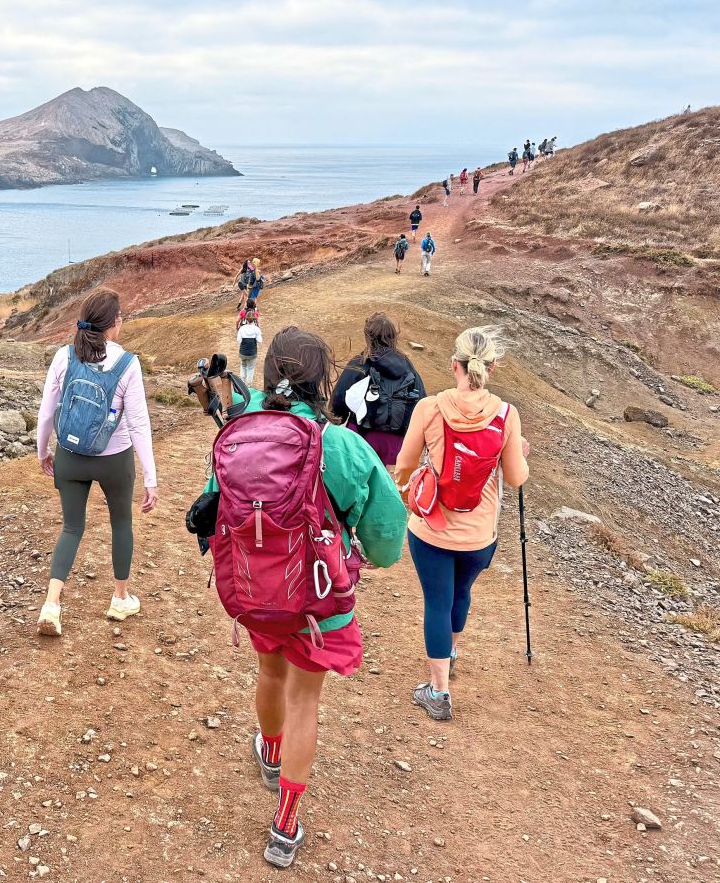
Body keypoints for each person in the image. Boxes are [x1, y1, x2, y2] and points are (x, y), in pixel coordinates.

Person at [201, 327, 407, 868]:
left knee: (269, 673)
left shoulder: (240, 438)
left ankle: (269, 753)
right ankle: (286, 824)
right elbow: (387, 540)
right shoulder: (343, 446)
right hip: (319, 598)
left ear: (269, 378)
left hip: (257, 587)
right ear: (323, 382)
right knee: (304, 699)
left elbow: (211, 509)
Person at [394, 326, 530, 721]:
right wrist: (520, 452)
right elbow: (517, 477)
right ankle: (449, 653)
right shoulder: (507, 415)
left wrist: (410, 494)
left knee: (437, 601)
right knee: (460, 594)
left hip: (432, 530)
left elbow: (404, 466)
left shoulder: (430, 408)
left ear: (453, 363)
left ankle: (438, 692)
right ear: (493, 367)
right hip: (479, 536)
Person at [35, 288, 159, 637]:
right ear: (114, 323)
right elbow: (138, 424)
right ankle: (120, 599)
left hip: (70, 457)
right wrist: (150, 476)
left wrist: (42, 450)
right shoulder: (127, 364)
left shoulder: (64, 356)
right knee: (121, 524)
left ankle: (52, 604)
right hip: (114, 460)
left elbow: (47, 413)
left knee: (71, 528)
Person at [331, 312, 426, 471]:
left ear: (368, 336)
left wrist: (336, 421)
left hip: (362, 436)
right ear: (394, 336)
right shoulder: (407, 366)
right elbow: (421, 400)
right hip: (396, 443)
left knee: (359, 473)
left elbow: (339, 398)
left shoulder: (360, 363)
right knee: (380, 472)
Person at [237, 309, 263, 386]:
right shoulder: (256, 329)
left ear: (246, 319)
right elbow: (260, 340)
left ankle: (242, 384)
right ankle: (249, 385)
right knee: (250, 369)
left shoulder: (242, 328)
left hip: (243, 352)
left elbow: (239, 340)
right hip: (252, 353)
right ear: (254, 319)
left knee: (243, 366)